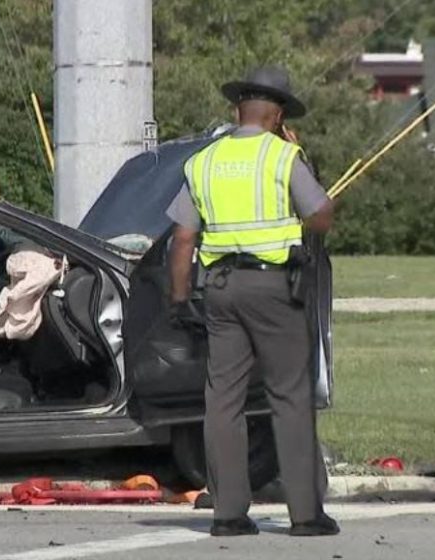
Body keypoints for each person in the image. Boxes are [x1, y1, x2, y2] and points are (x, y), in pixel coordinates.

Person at [165, 66, 338, 537]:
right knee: (289, 395)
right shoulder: (283, 157)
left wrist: (181, 300)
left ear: (236, 111)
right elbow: (321, 215)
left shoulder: (204, 161)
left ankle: (228, 513)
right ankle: (305, 514)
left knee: (223, 400)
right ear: (278, 115)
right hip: (274, 288)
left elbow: (183, 240)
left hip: (219, 289)